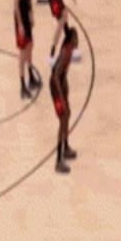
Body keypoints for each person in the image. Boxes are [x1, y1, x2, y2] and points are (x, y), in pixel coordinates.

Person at [51, 26, 78, 173]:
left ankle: (66, 147)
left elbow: (63, 74)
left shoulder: (70, 51)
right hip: (55, 87)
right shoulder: (65, 52)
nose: (78, 40)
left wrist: (66, 88)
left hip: (60, 85)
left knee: (68, 114)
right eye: (76, 37)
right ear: (71, 40)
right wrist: (61, 96)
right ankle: (58, 160)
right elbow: (55, 75)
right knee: (63, 119)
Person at [15, 0, 42, 99]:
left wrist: (31, 14)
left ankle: (31, 76)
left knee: (30, 45)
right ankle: (22, 85)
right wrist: (20, 24)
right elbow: (16, 2)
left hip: (25, 12)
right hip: (19, 14)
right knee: (23, 49)